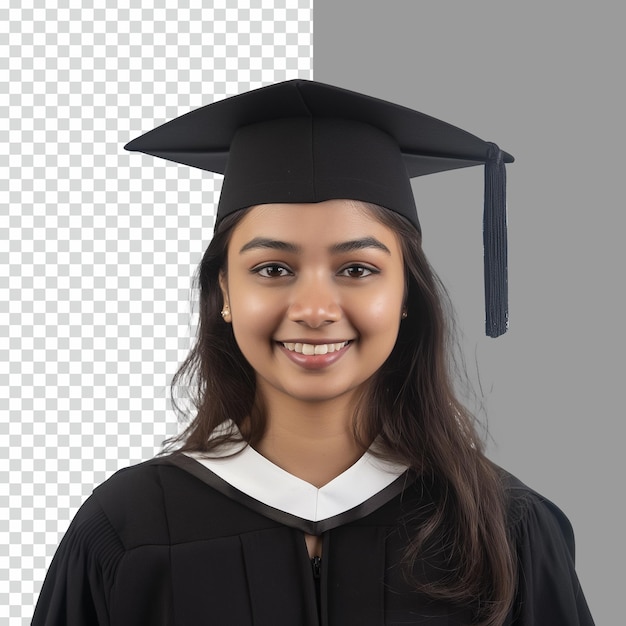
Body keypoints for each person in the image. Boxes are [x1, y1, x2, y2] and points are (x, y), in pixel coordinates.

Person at [32, 80, 595, 625]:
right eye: (272, 269)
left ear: (406, 295)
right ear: (225, 293)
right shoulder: (127, 528)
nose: (315, 308)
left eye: (357, 269)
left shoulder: (503, 526)